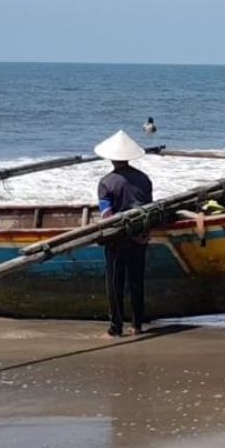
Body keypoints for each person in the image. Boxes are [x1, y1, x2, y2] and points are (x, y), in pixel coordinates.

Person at [94, 129, 153, 337]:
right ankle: (137, 325)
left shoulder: (106, 183)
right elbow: (149, 209)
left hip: (118, 239)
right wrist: (144, 234)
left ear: (111, 158)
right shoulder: (144, 179)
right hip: (139, 236)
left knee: (114, 283)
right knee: (136, 281)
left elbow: (107, 215)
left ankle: (116, 327)